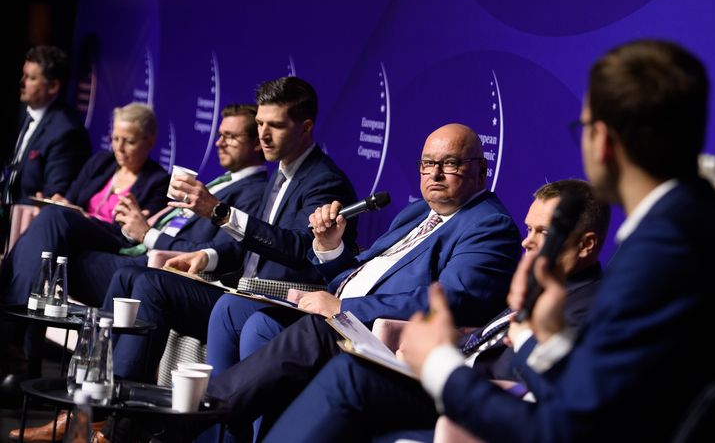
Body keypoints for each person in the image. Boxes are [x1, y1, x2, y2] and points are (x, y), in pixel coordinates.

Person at [396, 40, 715, 443]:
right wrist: (549, 338)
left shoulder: (661, 255)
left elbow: (564, 431)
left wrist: (438, 365)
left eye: (583, 128)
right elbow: (607, 399)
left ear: (602, 140)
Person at [195, 123, 521, 442]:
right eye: (427, 163)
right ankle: (214, 435)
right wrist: (331, 248)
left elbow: (453, 299)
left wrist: (342, 308)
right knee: (234, 309)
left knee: (301, 329)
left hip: (384, 337)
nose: (434, 174)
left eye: (449, 164)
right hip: (345, 311)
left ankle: (196, 416)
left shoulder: (489, 224)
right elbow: (361, 277)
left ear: (481, 170)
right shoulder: (418, 211)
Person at [260, 179, 610, 443]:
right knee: (279, 328)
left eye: (543, 232)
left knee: (347, 372)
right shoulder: (542, 284)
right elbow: (483, 337)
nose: (526, 241)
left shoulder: (591, 306)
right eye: (529, 228)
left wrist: (442, 359)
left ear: (586, 245)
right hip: (438, 373)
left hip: (472, 397)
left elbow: (555, 392)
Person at [6, 103, 268, 442]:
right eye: (219, 134)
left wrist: (147, 233)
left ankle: (86, 411)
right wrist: (139, 227)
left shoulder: (253, 191)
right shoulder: (220, 182)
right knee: (53, 232)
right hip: (137, 249)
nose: (218, 142)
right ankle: (83, 412)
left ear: (256, 143)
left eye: (230, 136)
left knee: (58, 241)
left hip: (163, 264)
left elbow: (214, 251)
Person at [98, 77, 359, 384]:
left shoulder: (326, 180)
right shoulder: (281, 172)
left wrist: (219, 212)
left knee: (153, 285)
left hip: (276, 302)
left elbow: (297, 247)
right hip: (240, 290)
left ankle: (118, 399)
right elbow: (255, 244)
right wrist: (206, 256)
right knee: (135, 275)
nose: (263, 135)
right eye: (259, 123)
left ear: (305, 127)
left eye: (275, 125)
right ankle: (99, 379)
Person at [0, 102, 168, 401]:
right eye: (115, 138)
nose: (119, 148)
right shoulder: (101, 162)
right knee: (48, 243)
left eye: (129, 142)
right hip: (73, 241)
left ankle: (11, 339)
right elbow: (72, 200)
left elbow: (134, 235)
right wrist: (62, 203)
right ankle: (26, 362)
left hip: (113, 243)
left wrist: (74, 215)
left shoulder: (157, 181)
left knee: (53, 219)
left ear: (150, 142)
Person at [1, 45, 91, 249]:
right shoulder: (24, 110)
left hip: (27, 226)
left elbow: (52, 196)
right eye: (24, 75)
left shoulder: (67, 132)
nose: (21, 82)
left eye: (31, 78)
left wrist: (6, 207)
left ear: (53, 86)